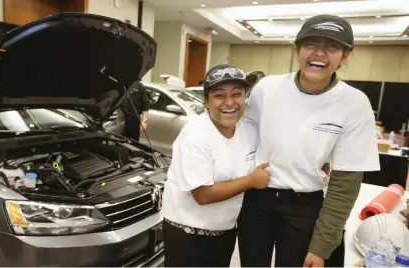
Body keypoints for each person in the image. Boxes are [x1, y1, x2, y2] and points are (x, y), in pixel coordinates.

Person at [237, 14, 380, 267]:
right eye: (311, 44)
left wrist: (323, 245)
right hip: (256, 200)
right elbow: (241, 141)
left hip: (304, 206)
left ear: (344, 57)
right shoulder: (266, 89)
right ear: (297, 51)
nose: (320, 53)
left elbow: (345, 185)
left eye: (332, 47)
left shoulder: (355, 104)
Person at [161, 64, 271, 267]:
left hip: (224, 232)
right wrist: (251, 181)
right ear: (206, 101)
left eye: (237, 94)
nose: (230, 102)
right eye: (219, 95)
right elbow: (203, 195)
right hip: (188, 237)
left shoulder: (246, 129)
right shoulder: (195, 134)